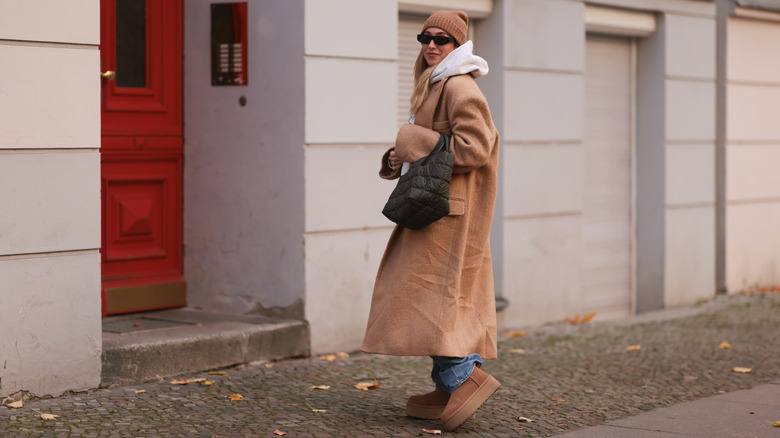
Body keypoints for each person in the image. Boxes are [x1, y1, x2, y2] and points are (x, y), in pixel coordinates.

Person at [361, 10, 501, 432]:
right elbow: (431, 148)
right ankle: (446, 385)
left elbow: (475, 147)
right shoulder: (436, 83)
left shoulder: (459, 87)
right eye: (426, 37)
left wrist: (410, 141)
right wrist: (395, 157)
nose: (432, 45)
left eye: (443, 39)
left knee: (433, 300)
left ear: (459, 46)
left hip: (448, 217)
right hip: (437, 211)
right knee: (440, 301)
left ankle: (466, 379)